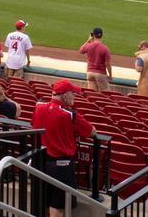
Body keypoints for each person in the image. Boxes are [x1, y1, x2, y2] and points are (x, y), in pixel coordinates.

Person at [30, 80, 96, 217]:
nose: (75, 97)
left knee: (44, 203)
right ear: (65, 96)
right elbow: (91, 131)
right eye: (73, 94)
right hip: (61, 167)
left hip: (40, 163)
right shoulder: (70, 114)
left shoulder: (39, 107)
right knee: (58, 208)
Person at [79, 27, 112, 92]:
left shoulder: (88, 45)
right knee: (105, 94)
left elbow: (81, 50)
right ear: (102, 35)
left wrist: (88, 40)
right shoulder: (105, 48)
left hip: (90, 73)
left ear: (93, 35)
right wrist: (110, 75)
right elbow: (107, 64)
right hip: (101, 74)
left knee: (92, 93)